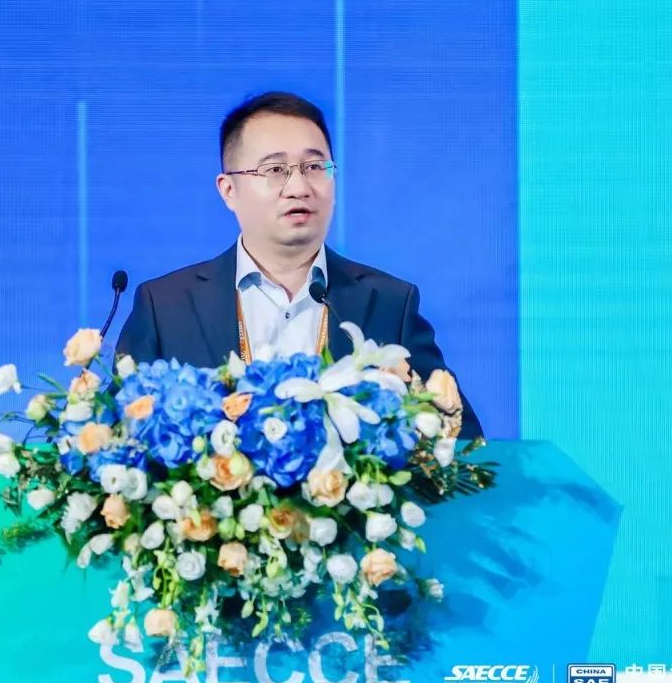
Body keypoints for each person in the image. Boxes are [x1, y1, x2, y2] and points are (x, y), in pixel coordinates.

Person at [116, 91, 483, 438]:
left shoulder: (390, 303)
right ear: (229, 190)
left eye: (314, 166)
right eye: (275, 169)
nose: (299, 187)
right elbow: (117, 438)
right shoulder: (166, 307)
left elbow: (461, 438)